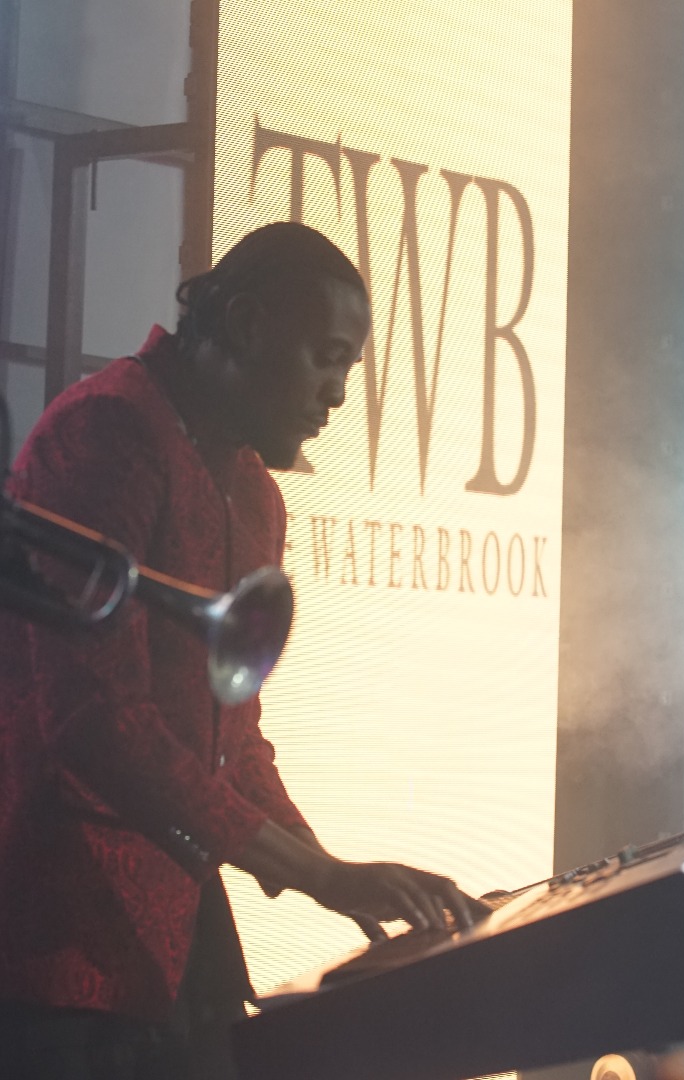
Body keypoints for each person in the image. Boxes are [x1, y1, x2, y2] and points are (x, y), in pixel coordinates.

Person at [0, 222, 476, 1079]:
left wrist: (326, 866)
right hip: (58, 939)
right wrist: (314, 873)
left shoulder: (256, 491)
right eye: (327, 358)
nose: (337, 394)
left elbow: (233, 735)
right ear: (250, 325)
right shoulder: (110, 429)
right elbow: (95, 719)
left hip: (176, 929)